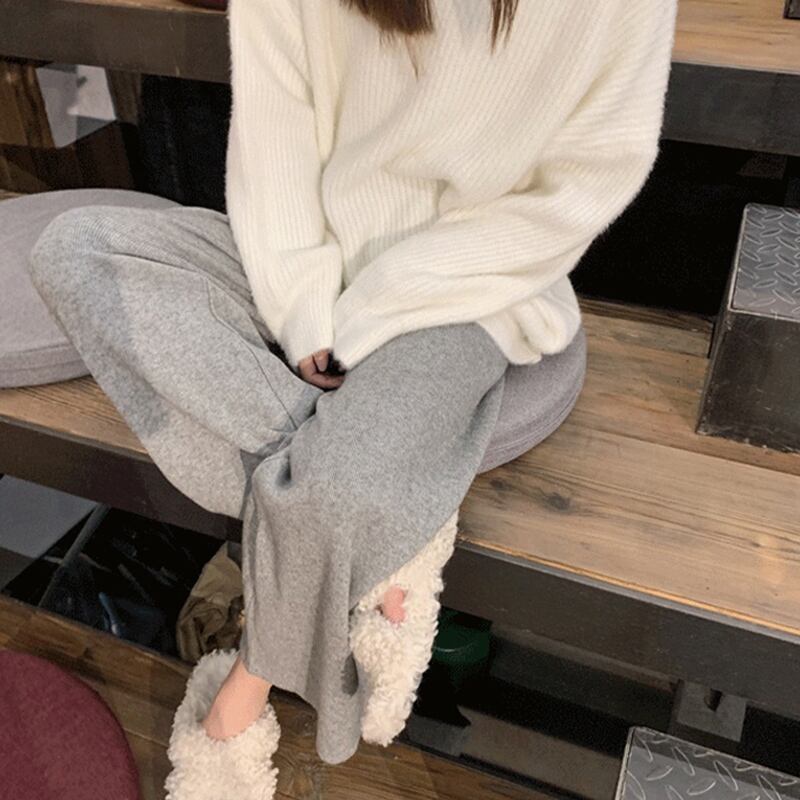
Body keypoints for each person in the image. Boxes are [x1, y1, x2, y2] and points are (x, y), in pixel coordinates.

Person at [27, 0, 678, 797]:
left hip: (472, 287)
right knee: (74, 250)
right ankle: (399, 520)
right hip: (307, 261)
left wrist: (375, 309)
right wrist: (304, 311)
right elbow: (275, 146)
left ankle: (250, 683)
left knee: (329, 488)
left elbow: (587, 179)